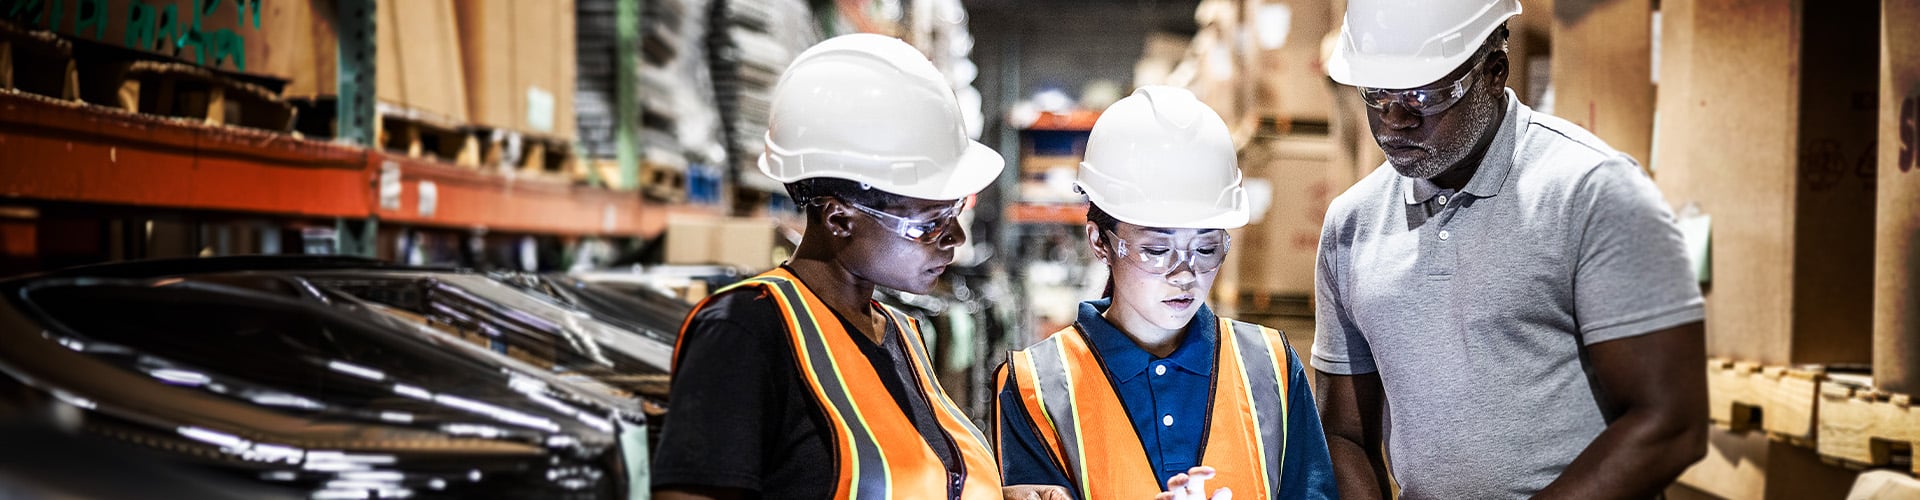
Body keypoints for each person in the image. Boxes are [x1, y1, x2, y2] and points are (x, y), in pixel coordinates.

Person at [1313, 0, 1709, 498]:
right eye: (1375, 93)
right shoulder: (1352, 224)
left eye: (1423, 95)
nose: (1394, 121)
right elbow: (1345, 433)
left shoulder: (1592, 193)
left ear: (1494, 73)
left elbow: (1671, 423)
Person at [650, 34, 1063, 500]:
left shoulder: (899, 333)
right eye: (928, 222)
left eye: (954, 212)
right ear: (838, 217)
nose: (955, 239)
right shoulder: (745, 332)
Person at [994, 86, 1338, 500]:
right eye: (1157, 250)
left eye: (1207, 249)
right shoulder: (1037, 386)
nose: (1185, 274)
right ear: (1100, 242)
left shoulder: (1271, 369)